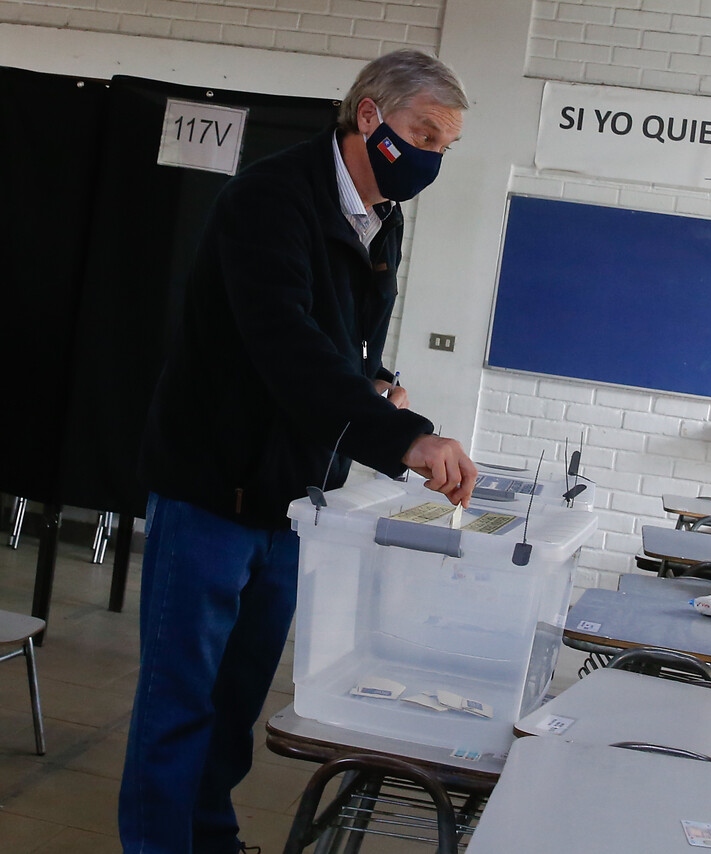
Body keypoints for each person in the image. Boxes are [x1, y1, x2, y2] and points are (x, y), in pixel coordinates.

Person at [118, 51, 478, 854]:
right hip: (210, 492)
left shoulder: (381, 216)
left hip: (287, 504)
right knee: (180, 706)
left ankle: (208, 838)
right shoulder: (269, 200)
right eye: (424, 134)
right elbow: (286, 346)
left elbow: (341, 346)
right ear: (369, 118)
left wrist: (377, 382)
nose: (432, 158)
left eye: (445, 146)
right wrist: (406, 441)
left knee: (237, 703)